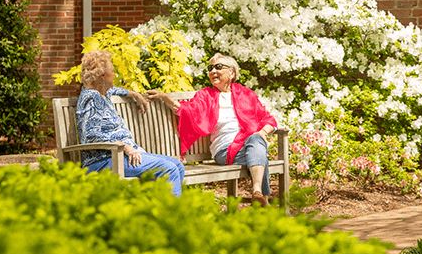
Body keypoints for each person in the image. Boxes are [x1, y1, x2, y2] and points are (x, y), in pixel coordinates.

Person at [147, 53, 277, 206]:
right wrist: (164, 96)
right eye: (210, 68)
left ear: (232, 72)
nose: (213, 71)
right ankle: (262, 199)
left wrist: (261, 133)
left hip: (249, 145)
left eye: (218, 67)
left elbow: (269, 120)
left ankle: (257, 192)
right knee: (260, 153)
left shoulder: (246, 94)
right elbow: (185, 110)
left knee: (256, 142)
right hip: (224, 151)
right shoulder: (206, 96)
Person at [76, 50, 185, 196]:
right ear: (103, 76)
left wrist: (133, 94)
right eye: (112, 71)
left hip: (117, 157)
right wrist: (125, 146)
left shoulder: (102, 93)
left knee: (177, 165)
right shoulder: (91, 98)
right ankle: (170, 217)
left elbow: (114, 90)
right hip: (103, 161)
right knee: (168, 169)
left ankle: (157, 210)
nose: (114, 75)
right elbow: (90, 135)